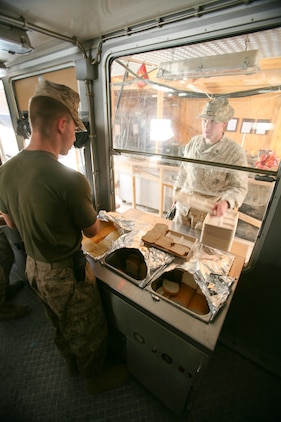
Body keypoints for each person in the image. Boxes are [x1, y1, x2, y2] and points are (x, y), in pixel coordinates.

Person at [0, 80, 128, 394]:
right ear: (62, 124)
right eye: (75, 128)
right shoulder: (69, 179)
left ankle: (70, 361)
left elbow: (11, 223)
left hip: (33, 267)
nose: (75, 136)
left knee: (57, 320)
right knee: (88, 329)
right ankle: (94, 378)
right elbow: (92, 231)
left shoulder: (5, 170)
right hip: (66, 273)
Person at [173, 97, 248, 229]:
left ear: (223, 124)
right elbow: (183, 171)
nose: (206, 126)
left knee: (201, 249)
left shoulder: (234, 152)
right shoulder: (193, 143)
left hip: (208, 216)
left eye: (213, 121)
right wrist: (176, 193)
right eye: (204, 120)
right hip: (183, 210)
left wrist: (226, 202)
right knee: (174, 243)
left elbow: (239, 187)